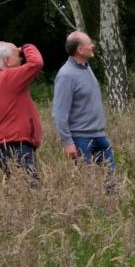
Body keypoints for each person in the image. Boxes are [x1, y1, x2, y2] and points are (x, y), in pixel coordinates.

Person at [52, 31, 116, 190]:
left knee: (111, 183)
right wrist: (68, 142)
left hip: (100, 136)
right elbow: (59, 113)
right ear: (80, 50)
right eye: (89, 43)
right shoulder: (66, 75)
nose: (93, 45)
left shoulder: (87, 68)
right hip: (81, 140)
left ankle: (112, 211)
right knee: (88, 186)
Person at [0, 41, 44, 184]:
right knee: (31, 193)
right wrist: (25, 47)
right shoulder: (8, 78)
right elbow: (36, 63)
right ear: (7, 61)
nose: (21, 58)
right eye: (18, 55)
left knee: (13, 191)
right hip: (16, 145)